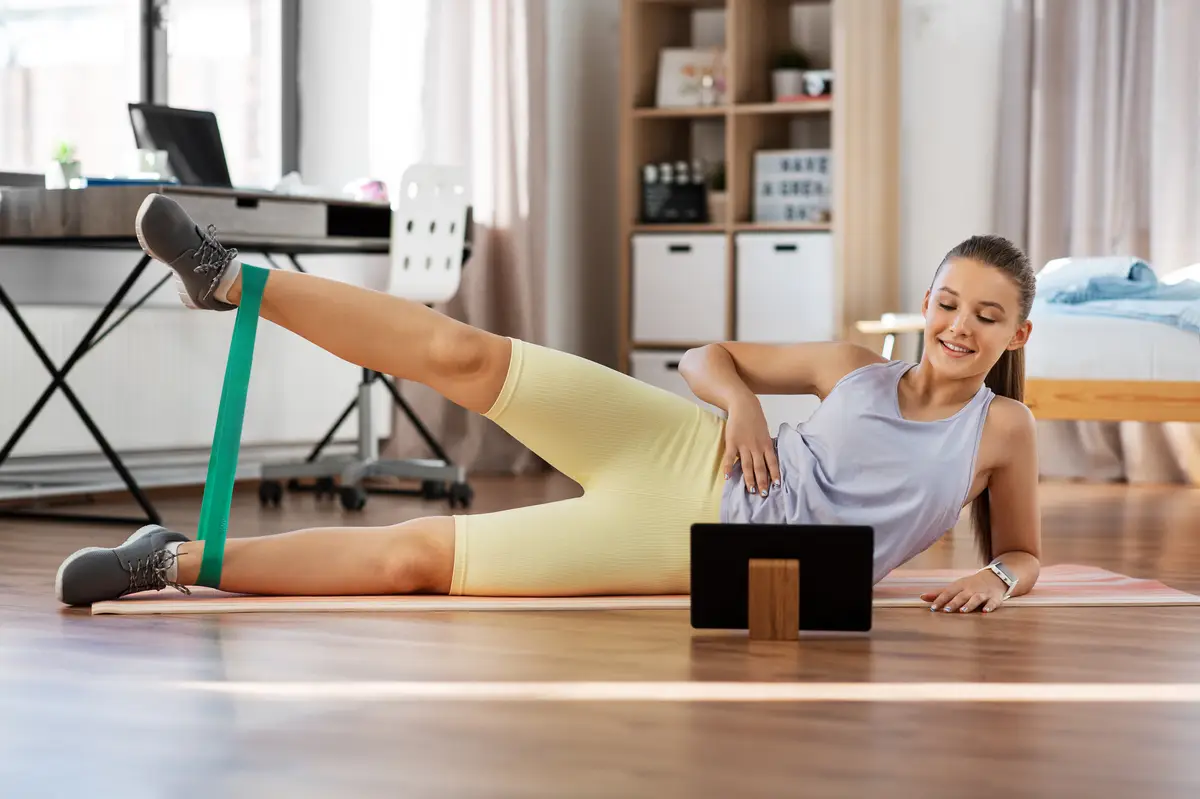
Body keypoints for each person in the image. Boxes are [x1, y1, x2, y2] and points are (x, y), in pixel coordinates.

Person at [55, 195, 1041, 614]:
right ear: (926, 301)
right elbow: (705, 356)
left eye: (986, 316)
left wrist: (1000, 576)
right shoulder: (851, 367)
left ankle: (168, 559)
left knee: (417, 559)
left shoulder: (1003, 430)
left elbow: (1025, 549)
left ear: (1017, 335)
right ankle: (230, 278)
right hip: (688, 445)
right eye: (947, 302)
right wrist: (741, 405)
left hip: (698, 548)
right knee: (466, 353)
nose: (959, 326)